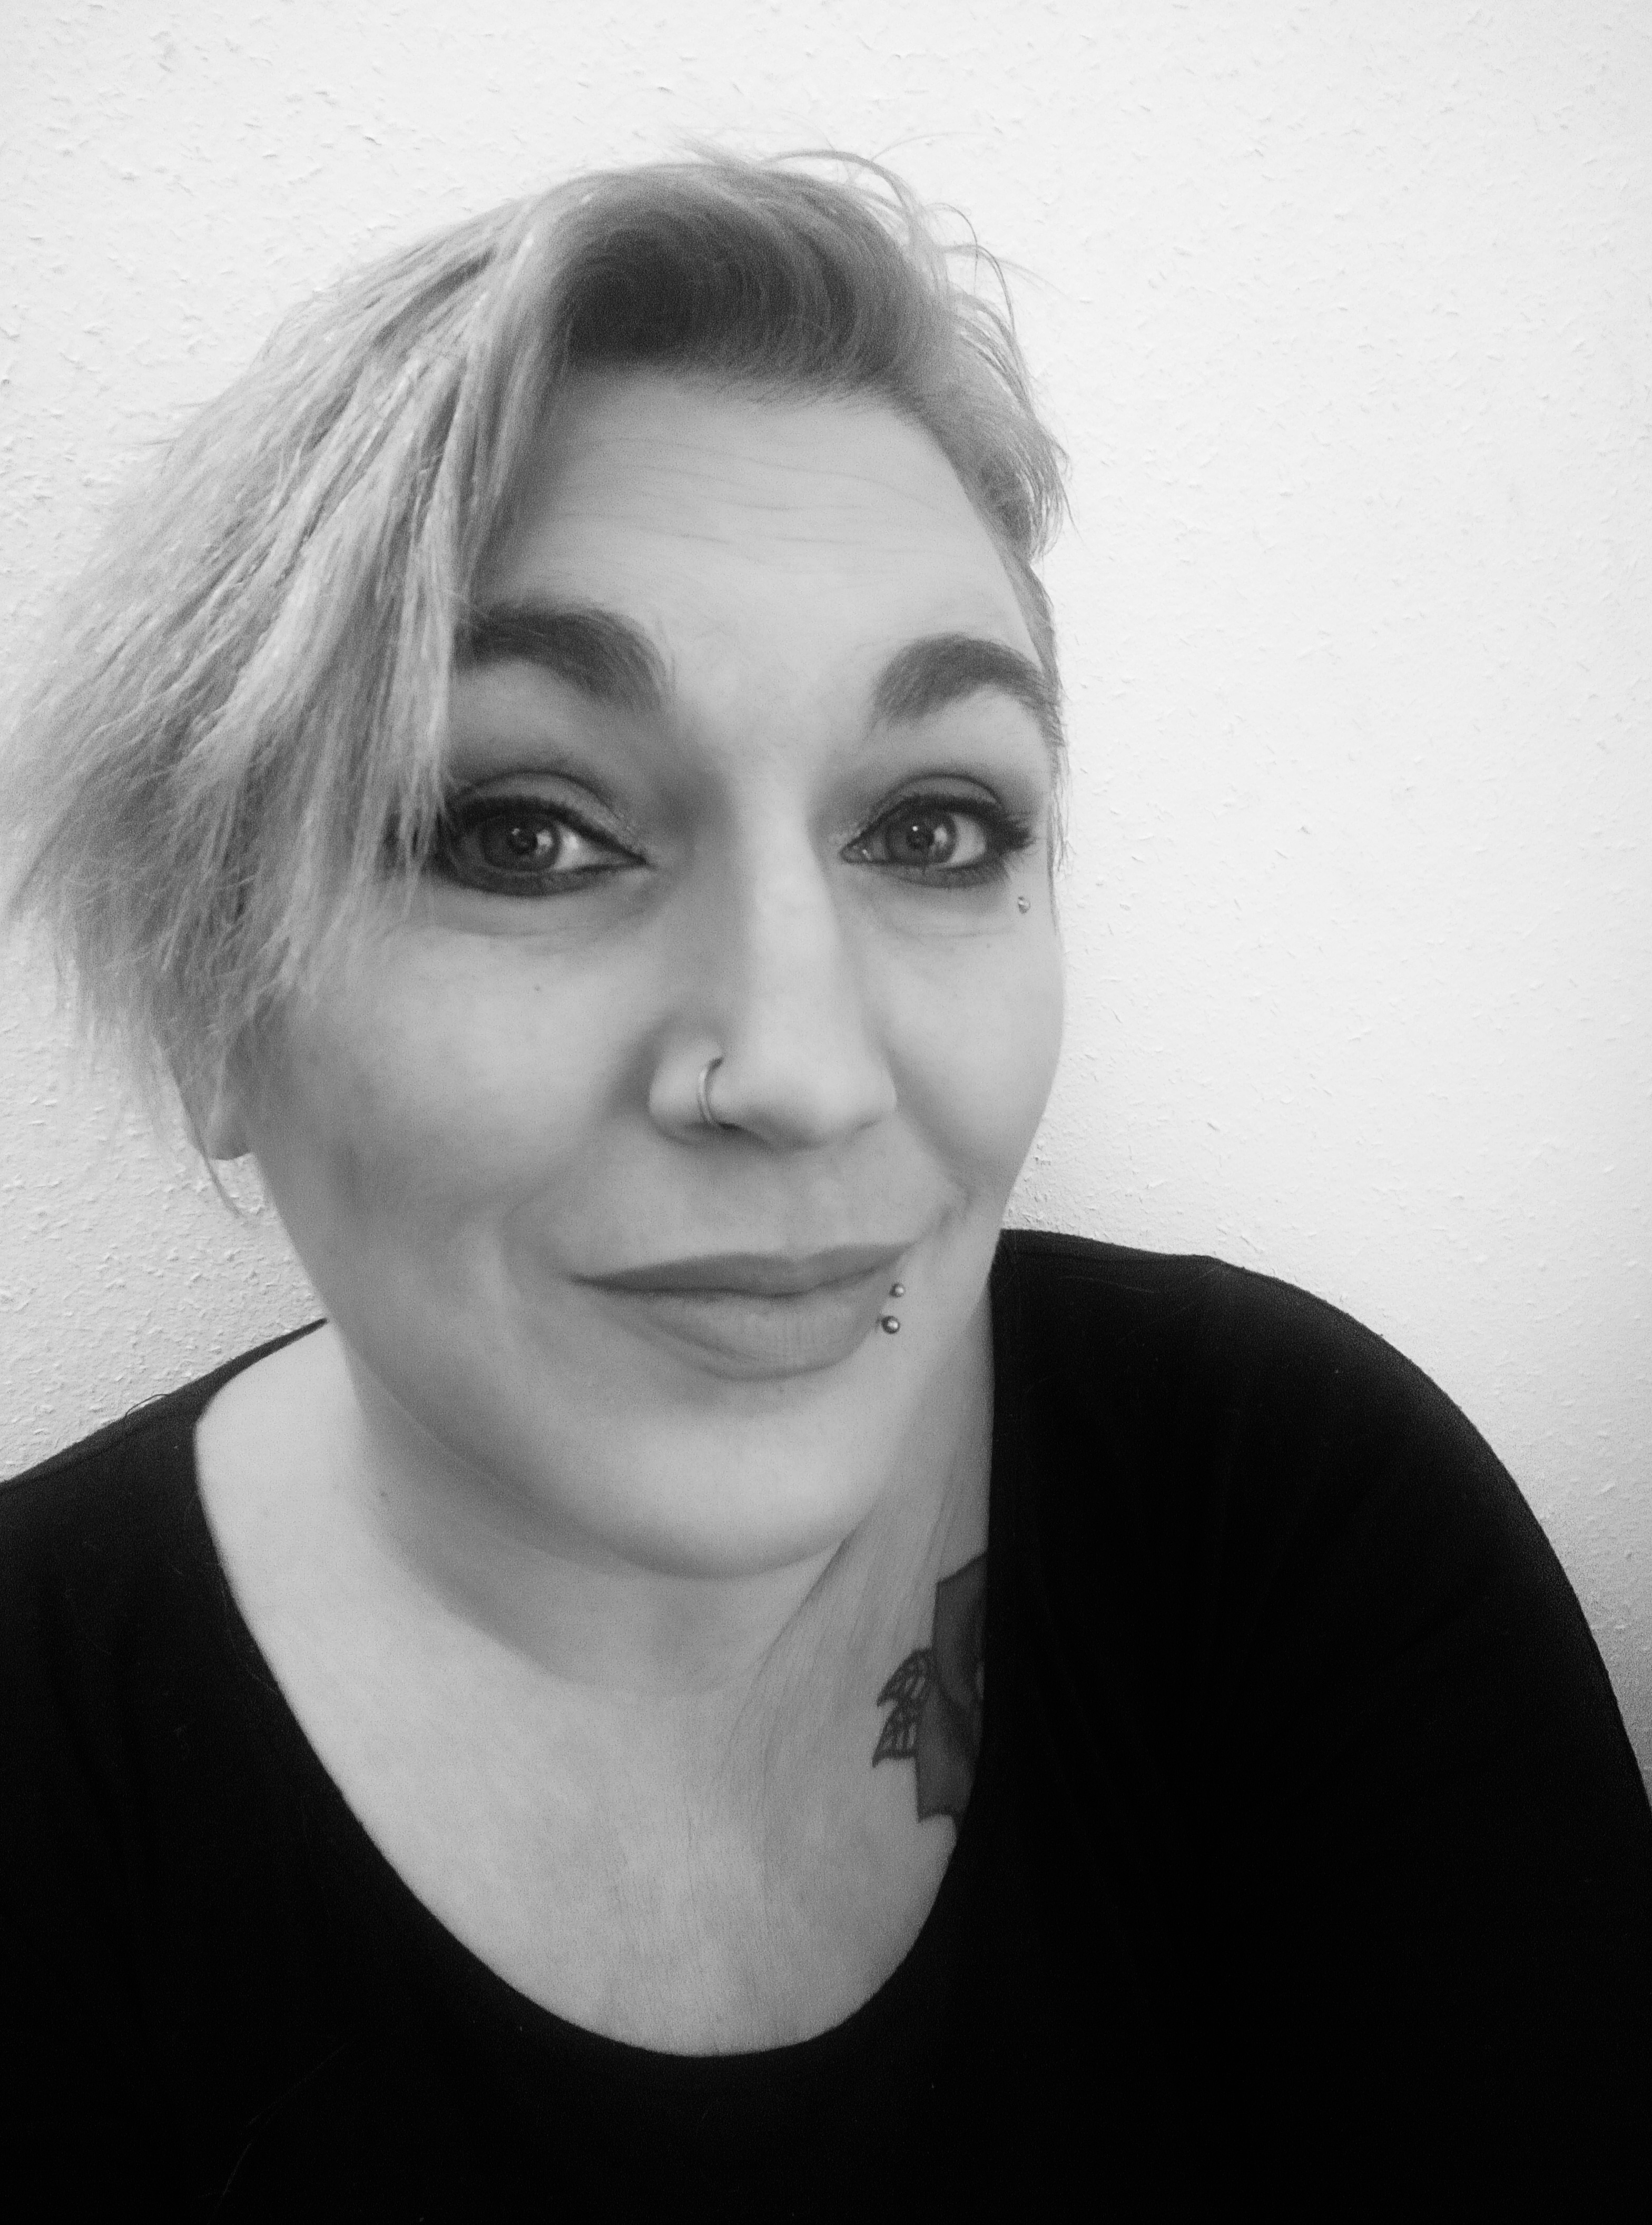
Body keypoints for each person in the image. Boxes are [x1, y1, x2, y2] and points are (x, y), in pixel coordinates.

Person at [2, 151, 1648, 2219]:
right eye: (521, 830)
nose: (800, 1070)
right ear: (205, 995)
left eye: (933, 827)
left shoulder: (1282, 1516)